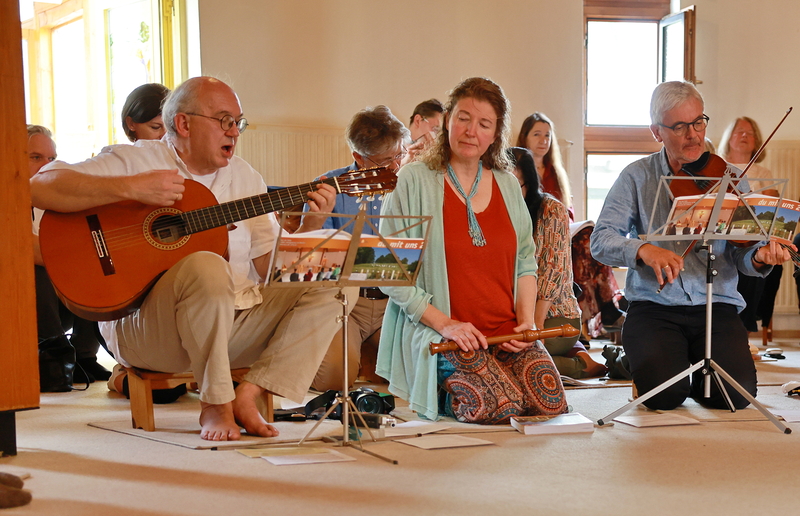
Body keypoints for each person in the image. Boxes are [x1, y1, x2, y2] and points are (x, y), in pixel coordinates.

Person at [30, 77, 347, 441]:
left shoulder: (245, 177)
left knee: (338, 280)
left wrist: (311, 226)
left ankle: (251, 392)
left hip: (233, 323)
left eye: (238, 122)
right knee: (206, 263)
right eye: (224, 120)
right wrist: (129, 188)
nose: (235, 132)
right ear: (183, 123)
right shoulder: (137, 160)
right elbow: (40, 185)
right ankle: (215, 404)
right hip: (145, 328)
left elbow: (270, 268)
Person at [590, 81, 792, 410]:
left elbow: (743, 254)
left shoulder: (731, 177)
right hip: (655, 306)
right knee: (664, 396)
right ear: (657, 131)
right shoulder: (636, 176)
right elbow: (601, 240)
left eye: (699, 122)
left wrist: (759, 257)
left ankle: (694, 372)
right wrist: (643, 250)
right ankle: (654, 363)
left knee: (733, 396)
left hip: (717, 305)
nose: (694, 134)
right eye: (680, 126)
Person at [376, 77, 567, 423]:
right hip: (446, 335)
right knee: (498, 407)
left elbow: (526, 262)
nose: (470, 131)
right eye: (463, 118)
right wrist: (447, 325)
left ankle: (492, 378)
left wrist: (526, 321)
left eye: (483, 124)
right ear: (448, 119)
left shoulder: (508, 184)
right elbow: (387, 271)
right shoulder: (412, 180)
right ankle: (438, 394)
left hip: (507, 331)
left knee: (550, 405)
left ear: (494, 135)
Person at [301, 105, 409, 391]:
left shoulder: (408, 184)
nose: (396, 165)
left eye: (400, 154)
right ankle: (357, 355)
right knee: (334, 382)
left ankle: (374, 357)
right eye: (387, 161)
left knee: (419, 377)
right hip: (346, 303)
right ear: (358, 158)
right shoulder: (328, 188)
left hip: (395, 303)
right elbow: (308, 261)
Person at [509, 147, 606, 378]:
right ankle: (576, 354)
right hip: (513, 314)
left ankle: (581, 365)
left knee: (516, 362)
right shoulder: (495, 210)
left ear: (529, 184)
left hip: (554, 314)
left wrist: (535, 329)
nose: (506, 194)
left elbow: (551, 272)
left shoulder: (550, 209)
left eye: (514, 187)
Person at [28, 125, 111, 388]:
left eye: (51, 159)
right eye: (35, 157)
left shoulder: (57, 197)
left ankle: (84, 356)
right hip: (21, 303)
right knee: (37, 268)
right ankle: (56, 354)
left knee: (95, 262)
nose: (45, 165)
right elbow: (27, 250)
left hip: (59, 299)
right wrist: (68, 255)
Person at [719, 116, 782, 334]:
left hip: (752, 232)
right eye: (739, 132)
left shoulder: (763, 173)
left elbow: (771, 209)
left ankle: (743, 327)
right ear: (729, 138)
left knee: (764, 252)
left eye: (750, 133)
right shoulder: (717, 166)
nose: (744, 136)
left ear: (757, 141)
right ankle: (735, 327)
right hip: (722, 234)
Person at [516, 112, 573, 219]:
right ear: (524, 137)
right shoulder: (516, 172)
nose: (544, 141)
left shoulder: (556, 172)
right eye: (537, 134)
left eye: (547, 135)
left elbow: (567, 207)